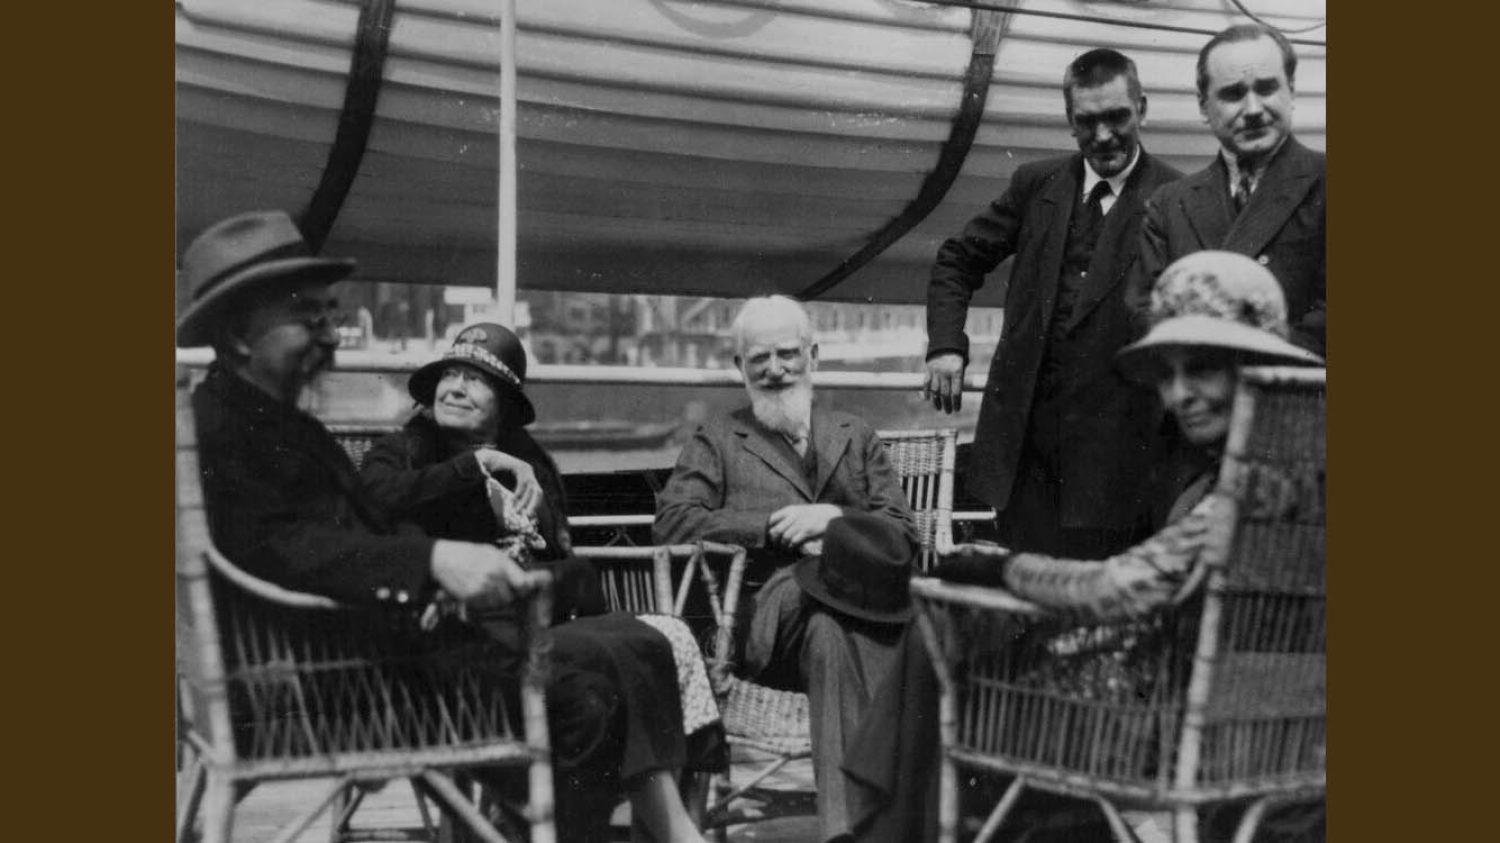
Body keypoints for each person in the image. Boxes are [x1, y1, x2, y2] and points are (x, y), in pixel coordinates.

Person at [177, 210, 711, 843]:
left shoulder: (257, 422)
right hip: (330, 685)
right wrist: (435, 565)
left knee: (612, 659)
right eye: (309, 317)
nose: (329, 336)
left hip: (330, 659)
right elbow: (276, 547)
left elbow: (333, 536)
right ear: (240, 334)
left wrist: (435, 567)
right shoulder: (224, 432)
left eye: (329, 315)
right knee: (584, 698)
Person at [844, 250, 1324, 843]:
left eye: (1200, 368)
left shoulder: (1245, 492)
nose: (1179, 395)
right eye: (1168, 375)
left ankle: (886, 830)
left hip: (1175, 729)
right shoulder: (1302, 474)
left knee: (943, 631)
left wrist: (1006, 568)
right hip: (1287, 732)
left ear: (1253, 366)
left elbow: (1121, 588)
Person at [359, 322, 728, 831]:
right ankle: (671, 831)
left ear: (506, 404)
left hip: (531, 624)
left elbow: (556, 555)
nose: (455, 388)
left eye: (476, 379)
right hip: (448, 641)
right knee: (619, 658)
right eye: (450, 375)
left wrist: (545, 573)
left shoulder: (533, 464)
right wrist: (477, 464)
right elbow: (373, 500)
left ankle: (659, 826)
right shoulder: (402, 451)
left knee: (660, 638)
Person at [653, 294, 916, 843]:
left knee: (830, 633)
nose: (775, 370)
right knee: (820, 599)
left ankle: (850, 831)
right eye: (759, 359)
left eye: (788, 354)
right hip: (767, 620)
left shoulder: (854, 433)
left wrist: (834, 518)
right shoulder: (720, 439)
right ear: (739, 368)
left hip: (843, 625)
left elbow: (904, 533)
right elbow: (674, 523)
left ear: (814, 356)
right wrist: (769, 524)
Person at [925, 48, 1183, 559]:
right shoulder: (1035, 184)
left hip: (1123, 466)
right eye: (1087, 121)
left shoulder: (1177, 198)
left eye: (1117, 117)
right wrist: (946, 346)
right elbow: (956, 259)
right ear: (1069, 121)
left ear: (1143, 109)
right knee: (1028, 613)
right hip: (1027, 464)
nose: (1104, 136)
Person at [1136, 23, 1326, 357]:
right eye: (1233, 93)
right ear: (1203, 107)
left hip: (1297, 398)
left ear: (1291, 90)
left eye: (1267, 89)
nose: (1253, 109)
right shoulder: (1169, 204)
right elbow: (1145, 311)